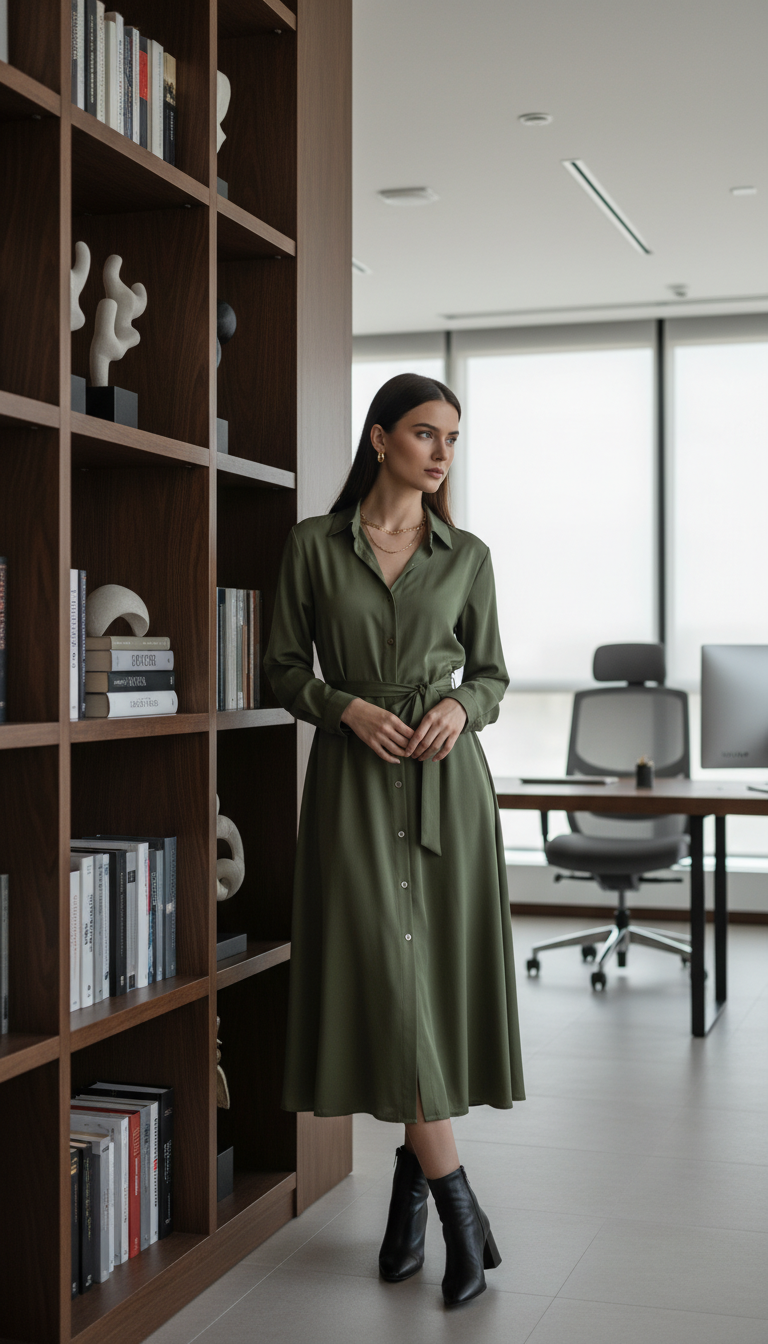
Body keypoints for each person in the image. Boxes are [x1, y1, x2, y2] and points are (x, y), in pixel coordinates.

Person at [263, 373, 525, 1308]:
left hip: (448, 789)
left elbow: (492, 674)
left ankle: (415, 1206)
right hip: (354, 786)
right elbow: (281, 668)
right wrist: (342, 707)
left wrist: (460, 706)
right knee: (388, 980)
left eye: (452, 437)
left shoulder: (468, 556)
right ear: (380, 439)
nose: (442, 452)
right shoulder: (311, 547)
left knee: (426, 990)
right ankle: (463, 1216)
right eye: (425, 433)